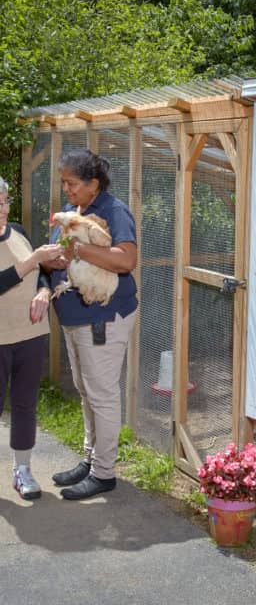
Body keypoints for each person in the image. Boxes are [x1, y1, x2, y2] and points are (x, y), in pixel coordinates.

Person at [44, 149, 138, 500]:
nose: (66, 189)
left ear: (93, 184)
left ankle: (104, 472)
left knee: (101, 395)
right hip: (75, 318)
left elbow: (127, 259)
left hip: (102, 318)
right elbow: (61, 256)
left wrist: (78, 251)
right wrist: (51, 259)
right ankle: (91, 459)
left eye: (72, 183)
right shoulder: (74, 212)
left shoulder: (113, 211)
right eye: (63, 182)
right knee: (86, 391)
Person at [0, 177, 65, 500]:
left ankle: (22, 471)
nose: (1, 209)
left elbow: (42, 272)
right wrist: (33, 259)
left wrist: (43, 290)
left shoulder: (19, 231)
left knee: (25, 405)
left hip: (32, 334)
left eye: (4, 201)